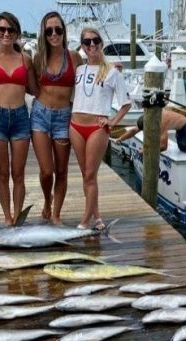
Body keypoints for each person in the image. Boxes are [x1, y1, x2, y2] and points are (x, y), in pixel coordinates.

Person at [0, 12, 36, 226]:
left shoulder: (26, 59)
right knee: (2, 173)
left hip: (21, 117)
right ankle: (7, 218)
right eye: (2, 29)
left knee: (18, 173)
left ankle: (18, 218)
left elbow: (36, 89)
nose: (6, 33)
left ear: (17, 33)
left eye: (10, 30)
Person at [70, 27, 131, 230]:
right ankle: (97, 218)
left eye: (95, 41)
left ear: (101, 43)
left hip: (97, 128)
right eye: (87, 42)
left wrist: (113, 121)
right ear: (82, 46)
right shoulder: (79, 70)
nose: (92, 45)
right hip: (76, 126)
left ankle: (85, 221)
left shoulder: (112, 72)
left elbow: (126, 103)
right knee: (87, 176)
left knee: (89, 175)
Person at [31, 11, 82, 224]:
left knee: (61, 171)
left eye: (58, 29)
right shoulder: (38, 58)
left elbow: (88, 82)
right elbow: (31, 86)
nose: (54, 34)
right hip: (40, 115)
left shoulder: (74, 57)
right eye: (49, 30)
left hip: (64, 117)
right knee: (46, 171)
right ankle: (47, 200)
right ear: (44, 33)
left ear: (64, 31)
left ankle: (56, 214)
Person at [114, 108, 186, 154]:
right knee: (183, 152)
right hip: (179, 130)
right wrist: (120, 138)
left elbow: (164, 146)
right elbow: (133, 131)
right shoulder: (148, 117)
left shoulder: (161, 122)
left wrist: (146, 151)